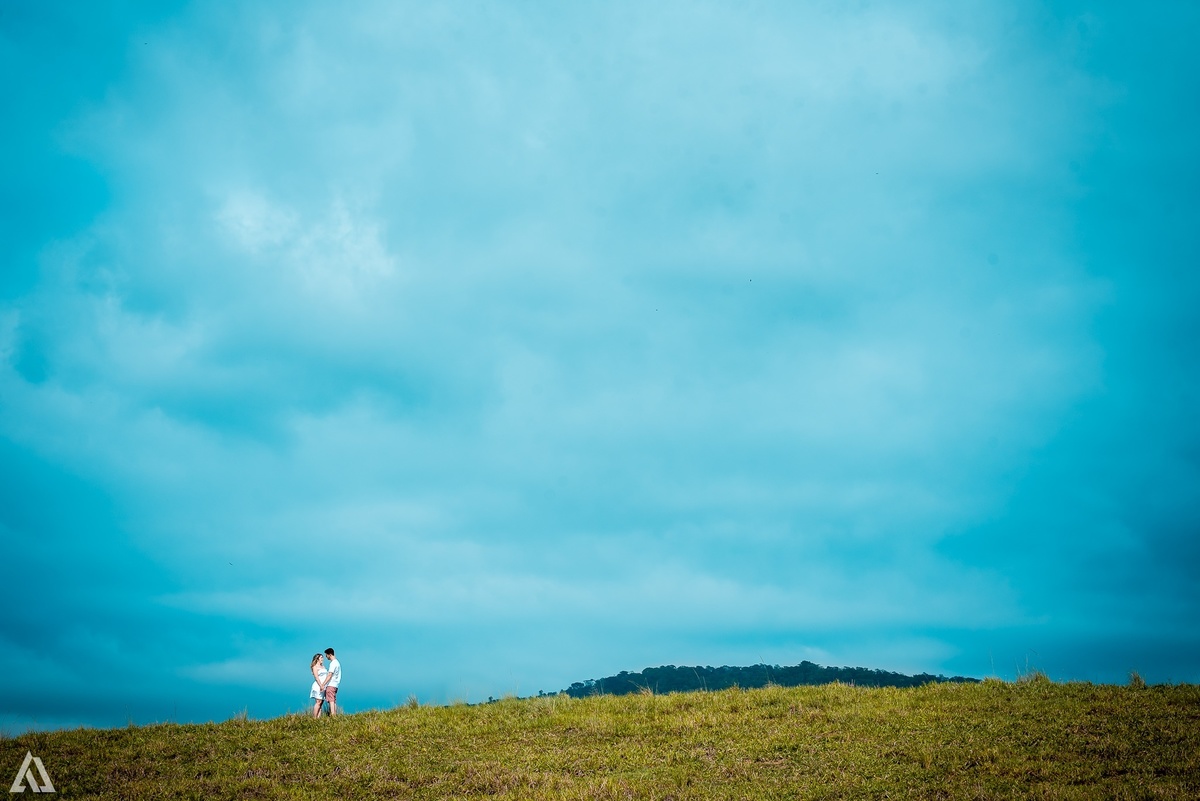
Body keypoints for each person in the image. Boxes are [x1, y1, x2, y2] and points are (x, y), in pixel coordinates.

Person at [309, 653, 330, 718]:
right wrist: (321, 685)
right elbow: (316, 677)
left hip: (324, 686)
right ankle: (314, 718)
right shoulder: (315, 666)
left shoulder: (323, 667)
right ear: (317, 659)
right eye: (321, 657)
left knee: (321, 703)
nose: (322, 659)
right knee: (318, 702)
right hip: (318, 685)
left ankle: (318, 718)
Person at [324, 647, 342, 716]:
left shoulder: (333, 663)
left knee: (331, 700)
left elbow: (329, 675)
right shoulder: (337, 663)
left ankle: (333, 715)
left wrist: (323, 684)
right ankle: (334, 714)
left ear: (330, 654)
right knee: (333, 700)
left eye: (326, 655)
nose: (326, 657)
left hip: (331, 684)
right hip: (335, 684)